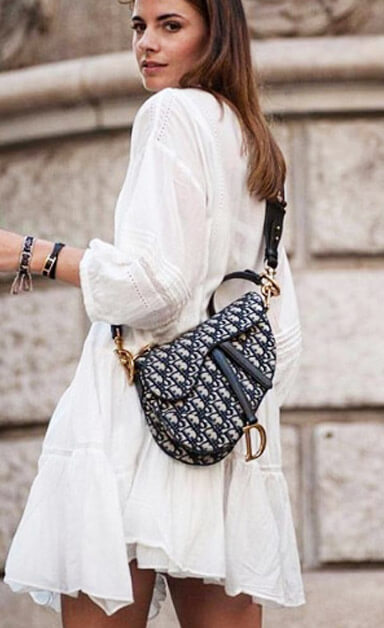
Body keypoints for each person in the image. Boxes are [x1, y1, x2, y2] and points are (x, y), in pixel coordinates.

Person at [1, 1, 304, 625]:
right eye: (140, 27)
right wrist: (225, 393)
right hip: (219, 424)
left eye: (171, 26)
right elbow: (283, 326)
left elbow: (156, 287)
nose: (147, 44)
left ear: (215, 34)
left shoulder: (169, 114)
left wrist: (33, 254)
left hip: (135, 415)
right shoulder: (253, 139)